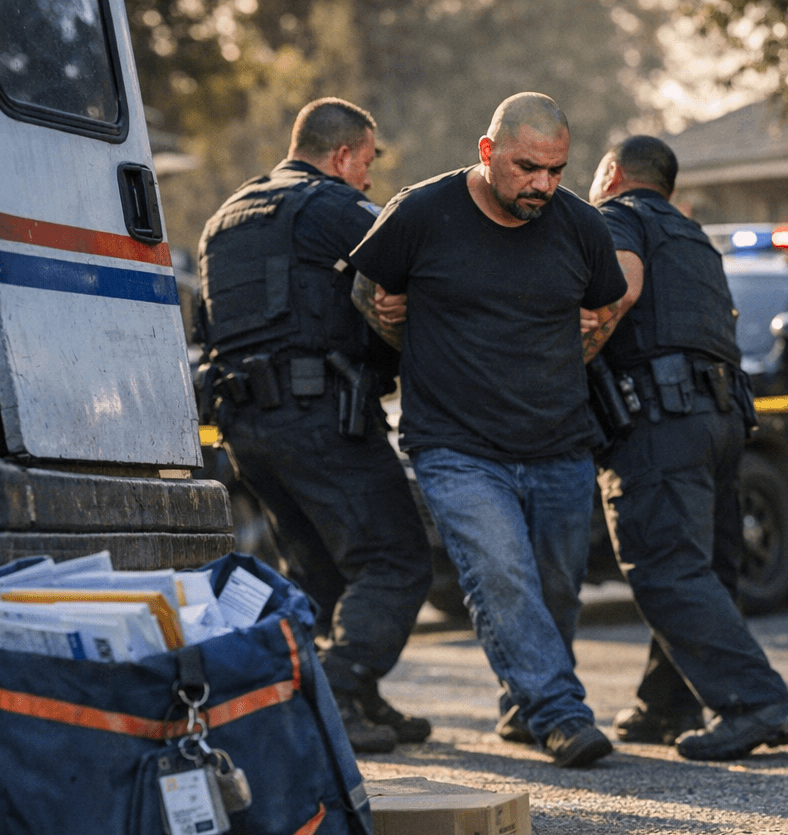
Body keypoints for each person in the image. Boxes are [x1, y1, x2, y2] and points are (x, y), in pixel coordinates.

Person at [347, 93, 629, 768]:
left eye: (556, 170)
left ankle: (521, 706)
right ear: (487, 151)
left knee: (556, 590)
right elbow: (366, 290)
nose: (543, 184)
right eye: (528, 166)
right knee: (500, 575)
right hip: (456, 445)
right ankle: (561, 713)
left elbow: (607, 305)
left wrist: (577, 355)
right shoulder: (422, 211)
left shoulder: (580, 226)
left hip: (560, 442)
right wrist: (400, 334)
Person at [196, 97, 432, 755]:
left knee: (324, 569)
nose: (368, 177)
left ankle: (350, 701)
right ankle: (341, 684)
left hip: (245, 428)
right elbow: (415, 270)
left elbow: (203, 325)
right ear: (342, 155)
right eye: (367, 163)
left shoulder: (223, 220)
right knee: (395, 558)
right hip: (319, 417)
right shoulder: (330, 207)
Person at [581, 136, 788, 760]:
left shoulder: (614, 217)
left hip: (661, 419)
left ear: (613, 173)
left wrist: (563, 363)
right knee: (705, 564)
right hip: (722, 418)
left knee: (664, 564)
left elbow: (619, 294)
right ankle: (668, 703)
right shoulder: (694, 238)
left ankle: (756, 703)